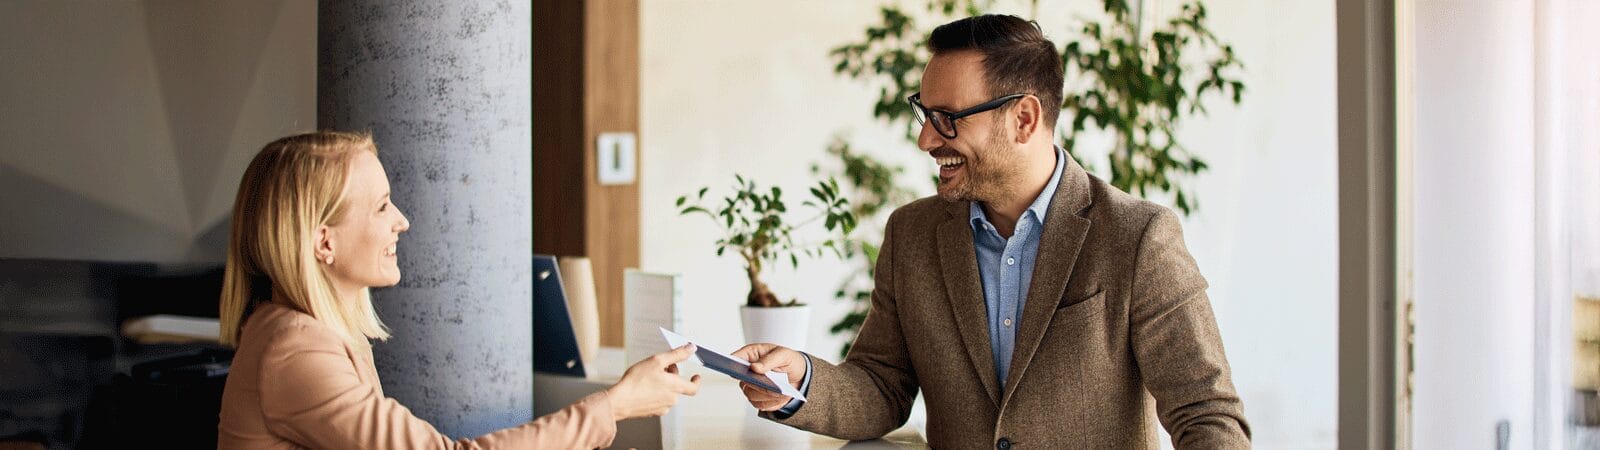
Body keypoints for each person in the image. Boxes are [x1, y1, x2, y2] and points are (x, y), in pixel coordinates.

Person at [732, 14, 1250, 448]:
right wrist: (799, 381)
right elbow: (882, 385)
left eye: (947, 118)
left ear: (1024, 119)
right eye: (924, 113)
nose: (925, 140)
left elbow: (1207, 416)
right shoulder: (911, 235)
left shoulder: (1137, 237)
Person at [216, 131, 701, 449]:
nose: (402, 222)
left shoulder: (303, 332)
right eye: (382, 207)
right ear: (325, 241)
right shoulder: (297, 351)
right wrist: (613, 405)